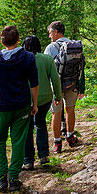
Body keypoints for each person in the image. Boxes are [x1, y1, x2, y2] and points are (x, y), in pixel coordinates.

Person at [0, 25, 38, 192]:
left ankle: (0, 179)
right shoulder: (28, 57)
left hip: (2, 107)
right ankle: (14, 179)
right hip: (22, 106)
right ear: (18, 39)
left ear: (2, 41)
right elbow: (34, 84)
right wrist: (34, 104)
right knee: (18, 141)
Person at [45, 20, 85, 152]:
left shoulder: (51, 47)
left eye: (50, 33)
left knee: (56, 114)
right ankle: (70, 136)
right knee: (70, 110)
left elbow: (46, 68)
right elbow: (81, 67)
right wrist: (81, 86)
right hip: (72, 83)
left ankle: (57, 142)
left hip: (56, 86)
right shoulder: (74, 45)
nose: (49, 36)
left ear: (56, 32)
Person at [21, 34, 60, 170]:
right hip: (45, 99)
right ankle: (43, 156)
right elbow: (55, 79)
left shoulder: (22, 60)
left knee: (27, 129)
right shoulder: (47, 59)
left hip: (26, 100)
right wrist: (58, 96)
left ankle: (28, 161)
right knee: (41, 124)